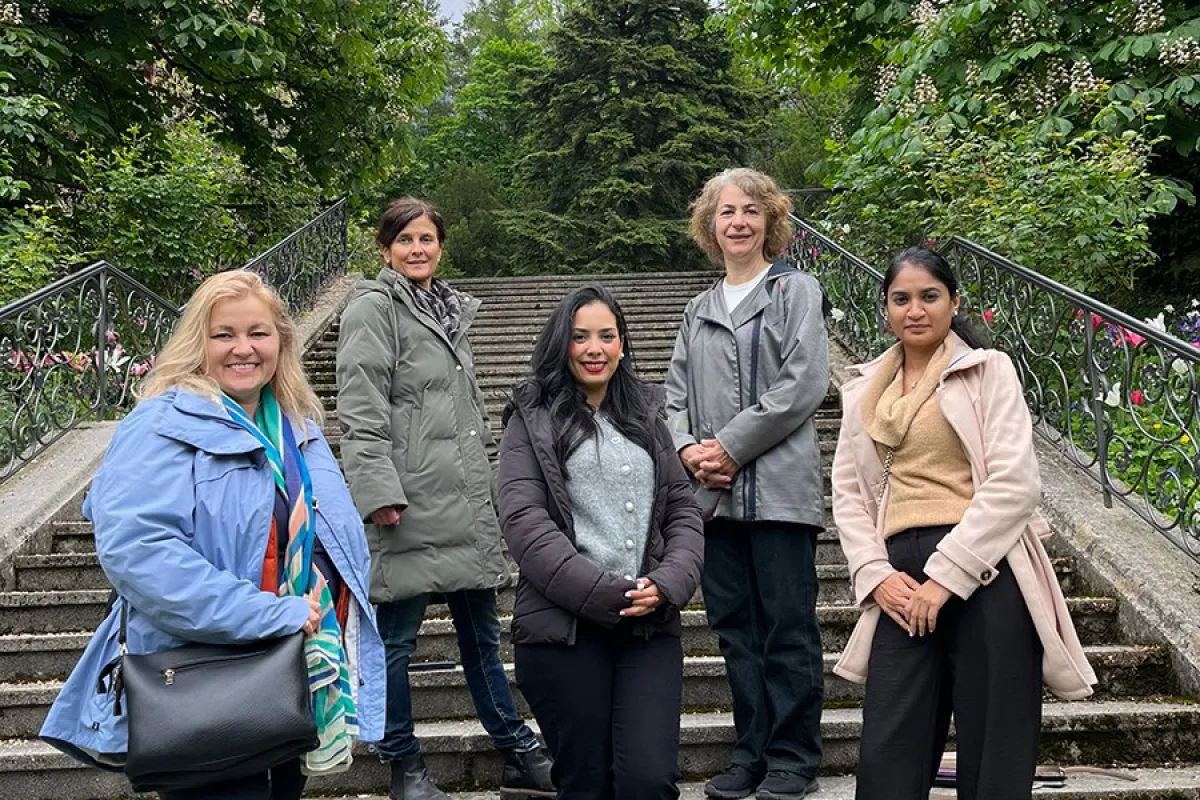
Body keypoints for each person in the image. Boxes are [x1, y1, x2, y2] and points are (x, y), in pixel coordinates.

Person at [40, 270, 386, 800]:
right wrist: (268, 613)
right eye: (224, 334)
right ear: (196, 343)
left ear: (281, 342)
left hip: (294, 673)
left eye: (258, 333)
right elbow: (141, 555)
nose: (243, 348)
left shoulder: (297, 428)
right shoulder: (159, 426)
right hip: (203, 681)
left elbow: (334, 543)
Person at [831, 247, 1097, 800]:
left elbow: (1015, 482)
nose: (915, 310)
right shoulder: (865, 390)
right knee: (887, 755)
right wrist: (875, 575)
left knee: (995, 754)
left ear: (954, 302)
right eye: (901, 299)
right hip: (900, 580)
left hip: (986, 569)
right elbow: (849, 495)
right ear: (886, 309)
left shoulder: (987, 370)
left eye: (930, 296)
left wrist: (946, 577)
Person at [335, 197, 554, 800]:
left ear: (440, 245)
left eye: (426, 238)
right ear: (385, 249)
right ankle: (404, 767)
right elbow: (360, 406)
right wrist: (377, 490)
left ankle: (518, 752)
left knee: (482, 639)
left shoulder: (450, 310)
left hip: (464, 501)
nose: (417, 249)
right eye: (405, 239)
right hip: (407, 503)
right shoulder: (373, 308)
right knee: (396, 643)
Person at [498, 285, 704, 800]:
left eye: (607, 336)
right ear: (560, 343)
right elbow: (524, 522)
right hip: (564, 631)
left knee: (648, 781)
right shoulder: (531, 416)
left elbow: (683, 512)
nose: (595, 349)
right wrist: (608, 593)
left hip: (648, 627)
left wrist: (667, 583)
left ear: (622, 344)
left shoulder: (648, 415)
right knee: (586, 784)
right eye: (580, 337)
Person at [664, 168, 830, 800]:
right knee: (735, 631)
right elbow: (673, 397)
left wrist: (730, 446)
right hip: (713, 499)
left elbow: (804, 383)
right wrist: (689, 450)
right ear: (710, 225)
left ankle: (793, 758)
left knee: (787, 629)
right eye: (726, 212)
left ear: (770, 221)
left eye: (751, 211)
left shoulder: (795, 290)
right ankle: (750, 754)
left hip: (781, 496)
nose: (738, 222)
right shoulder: (697, 309)